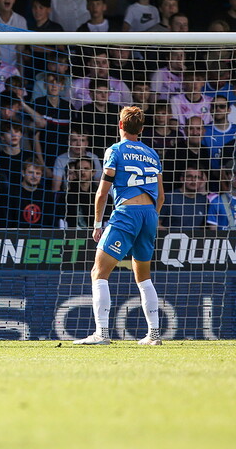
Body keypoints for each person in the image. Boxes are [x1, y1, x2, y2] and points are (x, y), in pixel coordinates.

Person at [75, 106, 164, 346]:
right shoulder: (152, 153)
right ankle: (154, 335)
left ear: (121, 125)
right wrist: (150, 219)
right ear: (142, 129)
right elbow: (162, 196)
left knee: (99, 272)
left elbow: (102, 193)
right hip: (149, 215)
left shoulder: (115, 150)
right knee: (143, 277)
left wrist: (97, 224)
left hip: (127, 213)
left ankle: (102, 334)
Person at [160, 163, 209, 230]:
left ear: (201, 181)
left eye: (197, 177)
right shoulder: (168, 198)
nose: (193, 180)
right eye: (189, 176)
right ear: (182, 178)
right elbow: (155, 224)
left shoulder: (204, 201)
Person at [207, 161, 235, 230]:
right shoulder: (217, 202)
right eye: (234, 174)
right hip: (224, 240)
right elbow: (213, 233)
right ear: (227, 176)